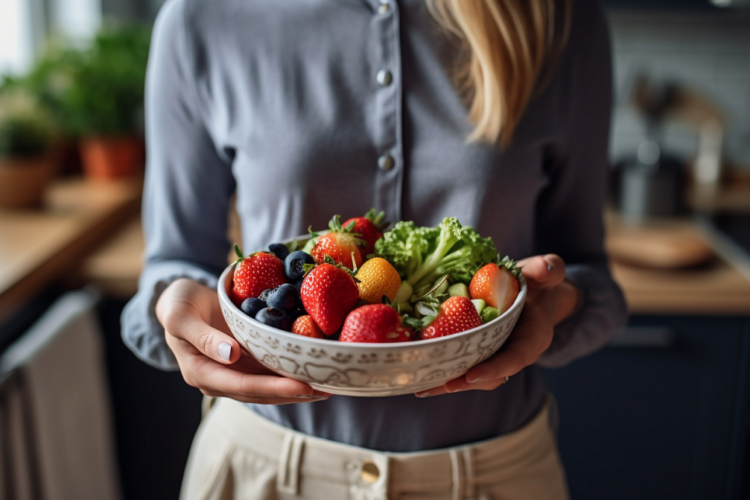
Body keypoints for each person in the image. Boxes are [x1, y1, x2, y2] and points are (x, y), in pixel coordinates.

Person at [122, 0, 628, 498]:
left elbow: (590, 275)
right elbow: (175, 260)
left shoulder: (558, 17)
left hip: (491, 474)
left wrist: (552, 301)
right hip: (264, 471)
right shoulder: (202, 16)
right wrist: (180, 310)